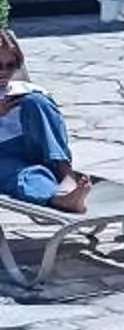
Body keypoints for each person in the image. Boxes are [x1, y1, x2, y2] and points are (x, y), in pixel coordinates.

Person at [0, 29, 91, 212]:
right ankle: (60, 199)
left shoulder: (22, 90)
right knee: (27, 175)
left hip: (35, 149)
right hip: (4, 157)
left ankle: (66, 173)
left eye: (10, 65)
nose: (4, 72)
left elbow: (50, 127)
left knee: (37, 101)